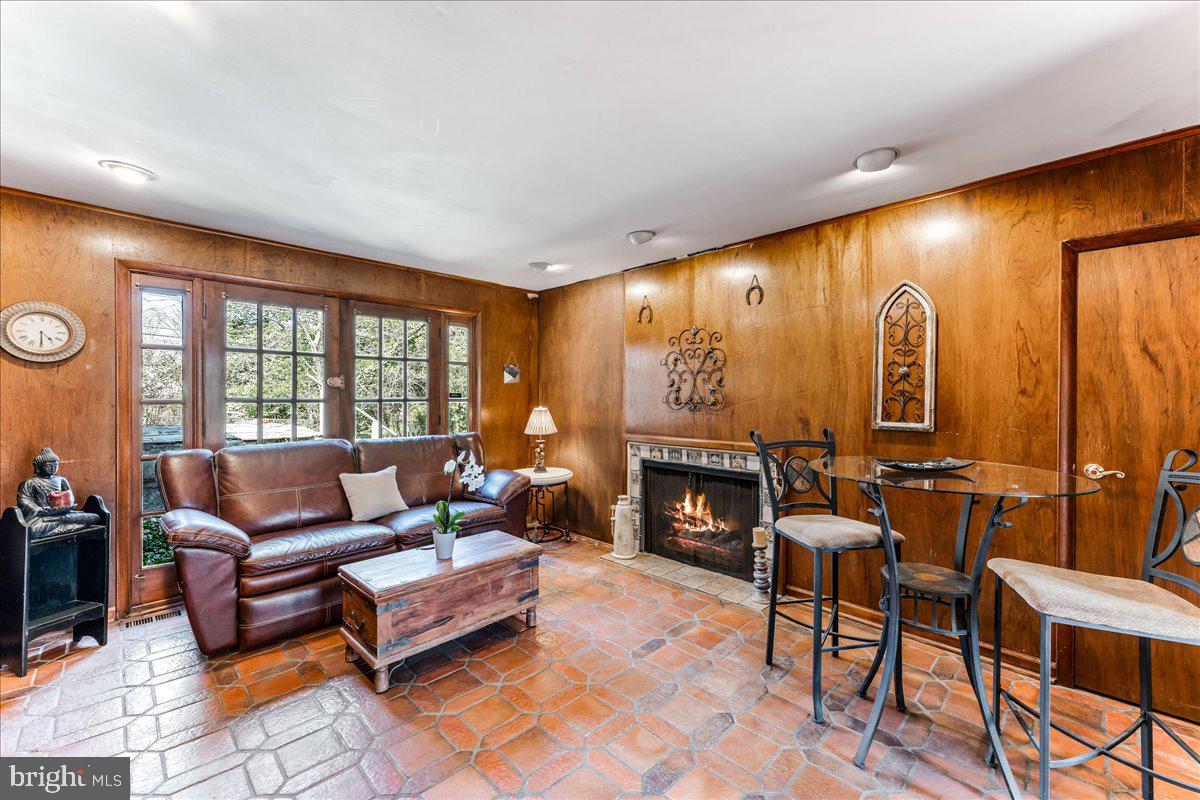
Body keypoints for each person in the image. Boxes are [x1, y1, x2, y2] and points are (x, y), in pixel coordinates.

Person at [15, 447, 99, 537]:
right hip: (42, 517)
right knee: (32, 530)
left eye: (56, 465)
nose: (53, 468)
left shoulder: (61, 480)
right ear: (37, 465)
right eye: (48, 466)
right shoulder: (30, 482)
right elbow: (23, 501)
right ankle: (68, 526)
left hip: (62, 514)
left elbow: (70, 498)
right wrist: (38, 509)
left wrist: (65, 505)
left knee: (94, 517)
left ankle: (62, 524)